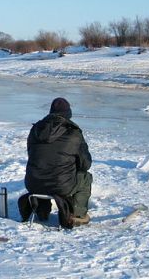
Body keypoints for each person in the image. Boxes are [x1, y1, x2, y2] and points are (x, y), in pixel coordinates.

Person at [20, 97, 92, 228]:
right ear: (68, 114)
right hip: (61, 185)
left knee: (44, 169)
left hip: (33, 182)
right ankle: (76, 214)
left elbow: (33, 154)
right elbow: (85, 164)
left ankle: (42, 211)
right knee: (86, 177)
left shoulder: (35, 130)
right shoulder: (74, 134)